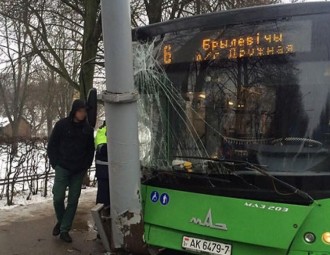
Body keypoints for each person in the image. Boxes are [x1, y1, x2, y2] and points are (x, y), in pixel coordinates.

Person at [47, 99, 94, 243]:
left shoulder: (87, 129)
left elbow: (90, 150)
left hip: (78, 170)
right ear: (74, 111)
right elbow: (52, 145)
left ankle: (64, 230)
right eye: (80, 111)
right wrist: (56, 163)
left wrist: (85, 165)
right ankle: (62, 222)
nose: (82, 114)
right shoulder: (62, 125)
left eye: (84, 111)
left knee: (73, 200)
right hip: (62, 167)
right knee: (58, 197)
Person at [94, 121, 110, 207]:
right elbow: (102, 149)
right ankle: (101, 217)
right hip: (104, 171)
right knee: (103, 200)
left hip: (117, 171)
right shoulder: (102, 131)